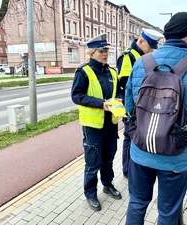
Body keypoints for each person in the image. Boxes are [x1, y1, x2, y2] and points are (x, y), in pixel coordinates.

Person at [124, 12, 187, 224]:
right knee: (168, 213)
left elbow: (129, 107)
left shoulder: (141, 63)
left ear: (165, 37)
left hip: (140, 150)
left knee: (137, 203)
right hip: (176, 156)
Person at [71, 34, 123, 212]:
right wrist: (101, 104)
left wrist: (119, 100)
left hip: (111, 124)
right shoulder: (84, 71)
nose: (105, 53)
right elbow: (77, 96)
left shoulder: (112, 72)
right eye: (102, 50)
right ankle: (90, 193)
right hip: (93, 127)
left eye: (107, 50)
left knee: (108, 158)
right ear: (92, 52)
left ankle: (107, 185)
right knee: (93, 162)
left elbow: (120, 92)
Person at [117, 28, 163, 178]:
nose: (150, 51)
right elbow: (124, 82)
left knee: (138, 137)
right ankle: (127, 170)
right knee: (129, 138)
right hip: (132, 107)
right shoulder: (128, 56)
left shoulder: (143, 56)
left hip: (142, 105)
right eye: (149, 47)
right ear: (141, 41)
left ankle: (135, 168)